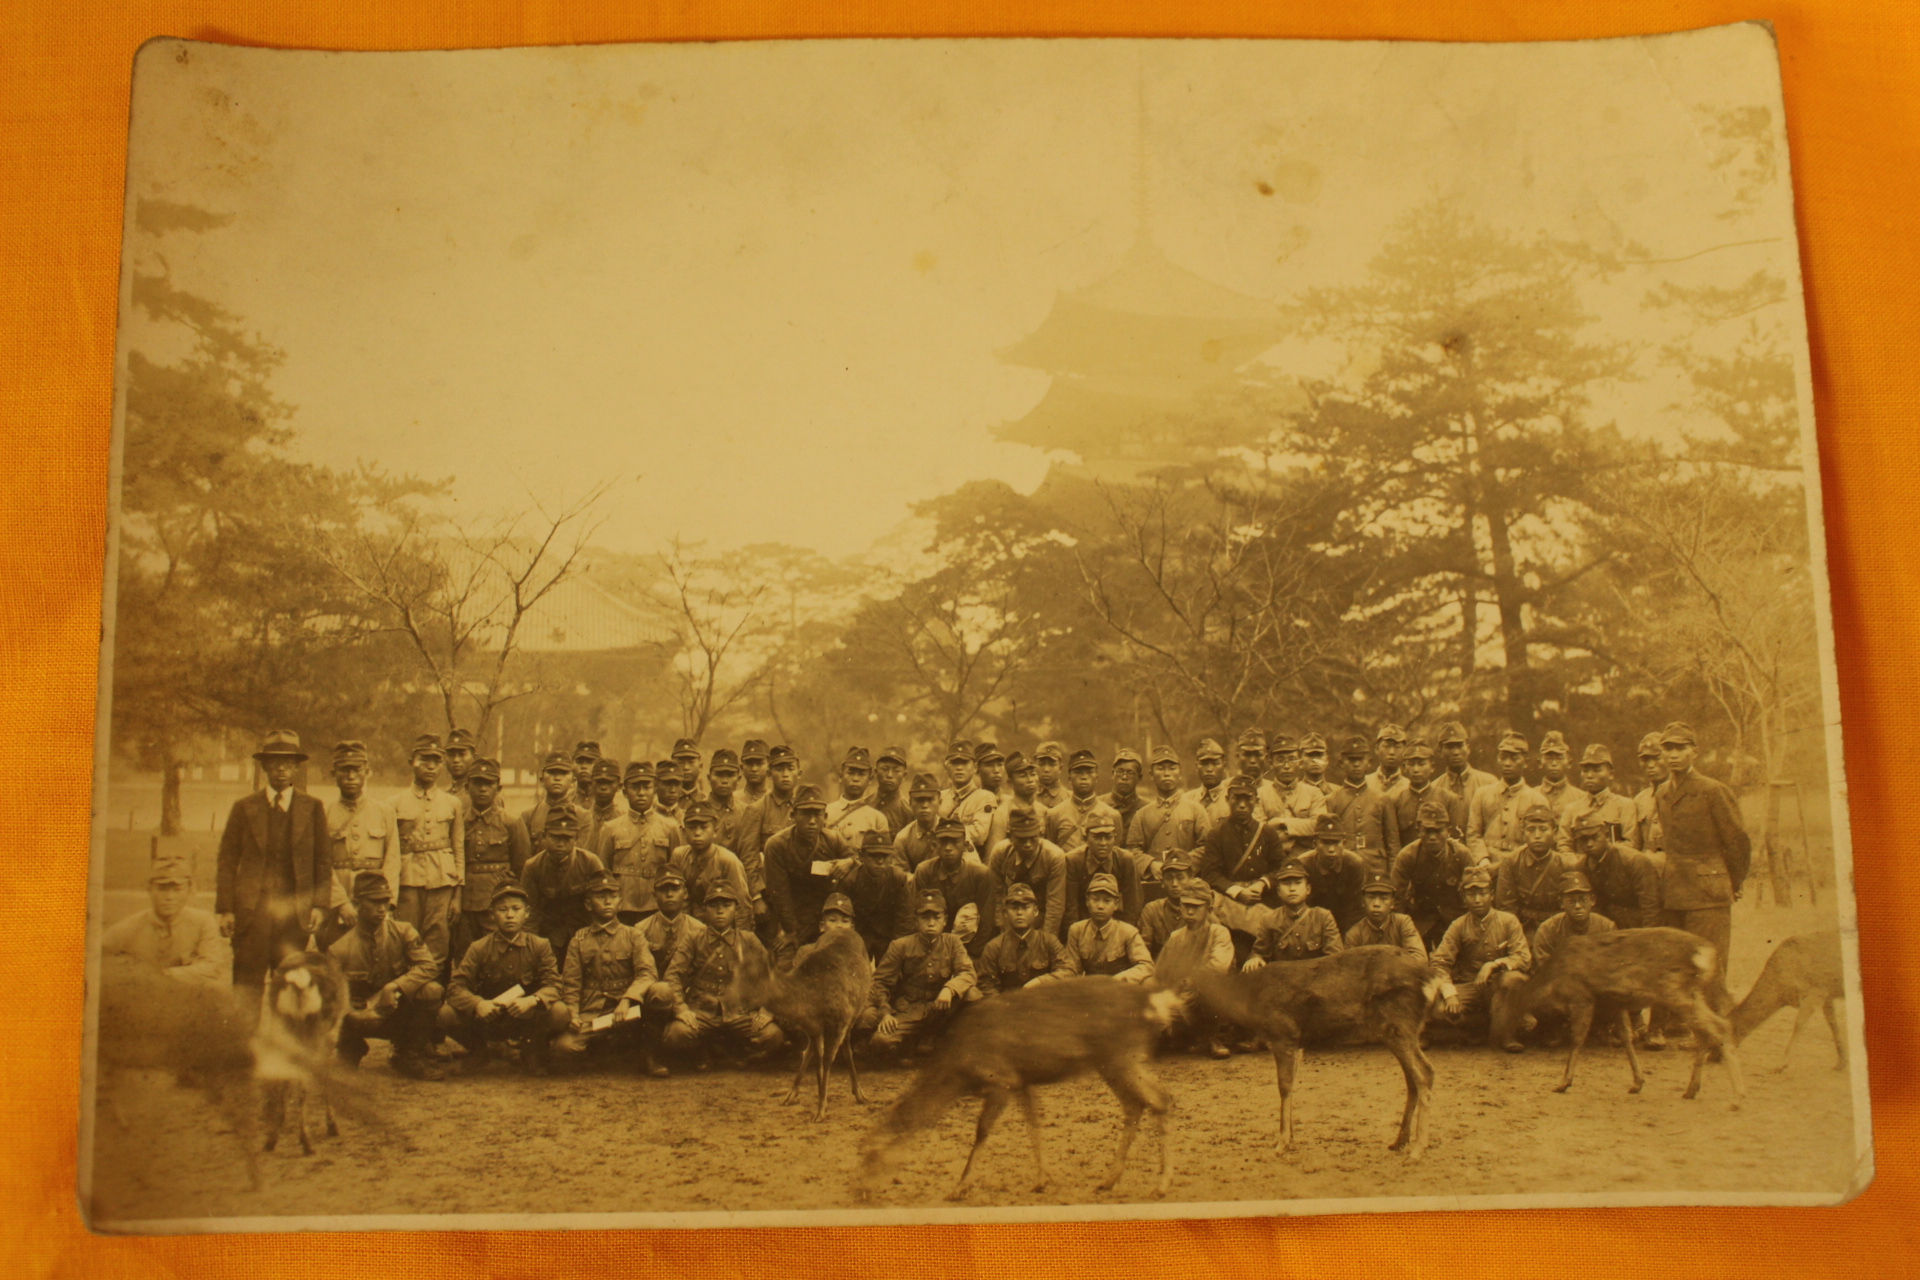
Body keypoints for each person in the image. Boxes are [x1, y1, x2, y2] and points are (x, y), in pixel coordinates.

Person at [216, 729, 329, 1005]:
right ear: (265, 766)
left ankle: (286, 1046)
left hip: (294, 914)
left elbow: (323, 861)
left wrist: (318, 904)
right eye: (275, 762)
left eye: (288, 762)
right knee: (246, 985)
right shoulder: (244, 808)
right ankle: (244, 1045)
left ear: (295, 767)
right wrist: (226, 908)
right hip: (253, 912)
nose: (281, 769)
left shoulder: (312, 808)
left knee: (292, 986)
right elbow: (227, 860)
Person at [1654, 721, 1751, 991]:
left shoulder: (1713, 790)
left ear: (1694, 752)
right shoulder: (1662, 793)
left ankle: (1716, 1026)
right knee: (1678, 963)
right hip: (1674, 892)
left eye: (1680, 748)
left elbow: (1738, 842)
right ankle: (1681, 1026)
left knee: (1710, 966)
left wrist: (1734, 881)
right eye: (1667, 748)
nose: (1673, 755)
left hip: (1709, 891)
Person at [439, 879, 568, 1076]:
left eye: (516, 909)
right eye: (502, 909)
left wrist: (532, 1001)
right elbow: (456, 988)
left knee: (560, 1012)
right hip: (489, 1019)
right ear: (492, 915)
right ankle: (479, 1049)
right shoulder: (479, 947)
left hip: (525, 1019)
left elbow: (555, 985)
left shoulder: (540, 945)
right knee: (445, 1014)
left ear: (527, 913)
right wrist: (478, 1004)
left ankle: (531, 1049)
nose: (509, 915)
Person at [328, 871, 444, 1080]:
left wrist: (394, 987)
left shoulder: (403, 932)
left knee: (432, 991)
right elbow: (332, 997)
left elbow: (428, 966)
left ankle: (408, 1055)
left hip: (396, 1011)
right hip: (359, 1017)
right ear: (357, 904)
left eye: (385, 901)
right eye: (374, 902)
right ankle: (351, 1048)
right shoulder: (339, 949)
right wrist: (356, 1015)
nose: (382, 908)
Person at [662, 883, 785, 1065]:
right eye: (714, 906)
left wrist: (766, 1011)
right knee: (676, 1034)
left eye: (726, 906)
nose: (720, 911)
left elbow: (771, 975)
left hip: (740, 1011)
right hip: (701, 1010)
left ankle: (738, 1051)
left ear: (736, 909)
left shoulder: (748, 939)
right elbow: (673, 976)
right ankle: (702, 1050)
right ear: (704, 911)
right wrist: (681, 1009)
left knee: (773, 1036)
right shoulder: (694, 938)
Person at [555, 872, 658, 1070]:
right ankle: (599, 1048)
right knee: (563, 1047)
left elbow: (647, 973)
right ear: (588, 904)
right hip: (593, 1010)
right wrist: (574, 1014)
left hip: (629, 1011)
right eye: (600, 897)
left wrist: (628, 1000)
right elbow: (571, 982)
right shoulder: (579, 939)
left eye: (612, 896)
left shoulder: (633, 935)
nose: (607, 901)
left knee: (659, 993)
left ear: (620, 902)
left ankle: (649, 1054)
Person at [1429, 868, 1530, 1052]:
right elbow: (1439, 963)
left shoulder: (1508, 921)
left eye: (1483, 893)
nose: (1477, 900)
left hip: (1499, 987)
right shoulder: (1458, 925)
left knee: (1513, 979)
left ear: (1491, 895)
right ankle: (1484, 1026)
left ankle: (1507, 1034)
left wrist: (1494, 964)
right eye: (1471, 894)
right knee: (1439, 1010)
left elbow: (1523, 958)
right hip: (1471, 985)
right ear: (1463, 897)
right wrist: (1450, 994)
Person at [868, 891, 977, 1058]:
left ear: (945, 920)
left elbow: (967, 972)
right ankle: (911, 1042)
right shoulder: (900, 946)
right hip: (909, 1009)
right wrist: (886, 1013)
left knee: (973, 995)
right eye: (925, 918)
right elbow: (880, 983)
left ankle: (931, 1037)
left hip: (940, 1010)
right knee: (880, 1042)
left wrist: (950, 989)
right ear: (915, 921)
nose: (931, 923)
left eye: (937, 917)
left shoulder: (952, 942)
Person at [101, 849, 231, 988]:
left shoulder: (203, 922)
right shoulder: (129, 928)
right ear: (149, 889)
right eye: (162, 889)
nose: (169, 897)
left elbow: (213, 967)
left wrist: (163, 975)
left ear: (189, 890)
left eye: (177, 889)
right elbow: (95, 958)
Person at [392, 734, 466, 973]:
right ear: (411, 761)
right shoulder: (394, 803)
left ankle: (432, 1000)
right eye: (425, 759)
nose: (431, 766)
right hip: (407, 884)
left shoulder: (452, 803)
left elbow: (458, 849)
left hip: (442, 884)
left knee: (438, 942)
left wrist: (457, 895)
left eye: (437, 760)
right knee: (405, 940)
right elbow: (391, 854)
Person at [319, 740, 400, 952]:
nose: (351, 776)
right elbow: (321, 865)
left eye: (357, 770)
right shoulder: (323, 815)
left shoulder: (385, 812)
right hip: (337, 907)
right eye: (344, 770)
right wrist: (341, 903)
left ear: (368, 772)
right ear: (333, 773)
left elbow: (392, 861)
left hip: (376, 904)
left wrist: (386, 904)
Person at [452, 757, 531, 969]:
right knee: (464, 954)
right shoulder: (458, 821)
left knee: (498, 953)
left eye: (488, 784)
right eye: (477, 783)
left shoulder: (511, 823)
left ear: (498, 788)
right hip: (465, 900)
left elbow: (521, 868)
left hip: (496, 901)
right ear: (467, 787)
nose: (482, 789)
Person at [763, 783, 857, 961]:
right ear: (793, 815)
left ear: (826, 817)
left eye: (817, 814)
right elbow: (779, 893)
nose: (812, 821)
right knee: (786, 966)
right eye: (806, 814)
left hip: (824, 917)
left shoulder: (833, 839)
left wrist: (850, 862)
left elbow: (858, 863)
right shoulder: (777, 845)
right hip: (789, 917)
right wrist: (790, 931)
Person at [594, 761, 685, 923]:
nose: (641, 793)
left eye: (646, 787)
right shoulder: (610, 828)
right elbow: (604, 872)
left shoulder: (670, 827)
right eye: (635, 787)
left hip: (657, 907)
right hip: (622, 908)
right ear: (624, 792)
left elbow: (676, 870)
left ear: (655, 790)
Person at [635, 869, 706, 1076]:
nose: (669, 895)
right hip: (653, 999)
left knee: (684, 1030)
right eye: (663, 890)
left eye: (675, 889)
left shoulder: (699, 929)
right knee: (661, 990)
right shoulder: (641, 928)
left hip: (688, 994)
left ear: (685, 893)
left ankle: (700, 1049)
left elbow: (702, 971)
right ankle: (652, 1055)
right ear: (654, 894)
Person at [1154, 885, 1234, 1059]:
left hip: (1211, 995)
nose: (1189, 911)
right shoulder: (1176, 937)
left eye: (1196, 907)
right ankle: (1186, 1037)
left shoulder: (1218, 932)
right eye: (1185, 905)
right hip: (1182, 995)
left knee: (1207, 986)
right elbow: (1161, 971)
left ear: (1209, 909)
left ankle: (1212, 1038)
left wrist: (1190, 979)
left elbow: (1219, 966)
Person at [1391, 800, 1481, 950]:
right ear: (1418, 830)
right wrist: (1400, 933)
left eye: (1438, 831)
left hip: (1455, 919)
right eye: (1427, 831)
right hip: (1421, 921)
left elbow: (1475, 892)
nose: (1432, 837)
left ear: (1448, 831)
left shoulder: (1461, 854)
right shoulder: (1407, 856)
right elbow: (1396, 899)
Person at [520, 808, 606, 965]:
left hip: (585, 933)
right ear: (544, 836)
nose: (560, 844)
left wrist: (595, 939)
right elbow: (529, 913)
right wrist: (532, 947)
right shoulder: (533, 866)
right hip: (548, 938)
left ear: (577, 838)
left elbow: (602, 907)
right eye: (555, 837)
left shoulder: (590, 863)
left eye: (567, 838)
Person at [908, 817, 1001, 958]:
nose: (948, 848)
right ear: (935, 845)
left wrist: (970, 955)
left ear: (965, 845)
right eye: (943, 842)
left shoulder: (980, 874)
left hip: (969, 947)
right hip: (932, 946)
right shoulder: (924, 871)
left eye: (955, 842)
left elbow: (986, 923)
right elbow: (914, 914)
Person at [1196, 776, 1290, 908]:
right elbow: (1210, 874)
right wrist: (1238, 891)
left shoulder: (1267, 832)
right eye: (1236, 798)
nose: (1242, 805)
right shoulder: (1216, 834)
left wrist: (1262, 883)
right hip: (1229, 903)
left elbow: (1280, 867)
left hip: (1265, 900)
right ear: (1227, 799)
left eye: (1248, 799)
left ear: (1256, 801)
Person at [1494, 803, 1580, 938]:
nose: (1537, 835)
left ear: (1555, 832)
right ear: (1523, 833)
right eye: (1531, 829)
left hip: (1557, 929)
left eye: (1543, 829)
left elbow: (1572, 905)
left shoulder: (1566, 865)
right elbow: (1506, 907)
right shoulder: (1511, 863)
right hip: (1524, 928)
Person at [973, 882, 1071, 996]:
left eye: (1025, 907)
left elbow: (1067, 971)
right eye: (1014, 908)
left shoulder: (1049, 941)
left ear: (1035, 911)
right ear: (1005, 913)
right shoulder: (994, 947)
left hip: (1043, 1006)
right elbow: (986, 984)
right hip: (1007, 1009)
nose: (1019, 913)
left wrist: (1040, 981)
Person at [1125, 745, 1207, 881]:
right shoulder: (1142, 815)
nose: (1166, 773)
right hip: (1154, 881)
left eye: (1172, 768)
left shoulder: (1196, 810)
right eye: (1160, 768)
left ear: (1180, 773)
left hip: (1188, 882)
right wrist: (1150, 864)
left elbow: (1207, 847)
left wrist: (1184, 865)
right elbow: (1132, 849)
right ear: (1151, 775)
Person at [1466, 732, 1548, 864]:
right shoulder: (1482, 794)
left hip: (1520, 867)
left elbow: (1537, 841)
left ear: (1525, 762)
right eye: (1503, 757)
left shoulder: (1537, 800)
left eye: (1514, 758)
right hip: (1486, 866)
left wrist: (1507, 866)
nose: (1507, 763)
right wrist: (1483, 860)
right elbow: (1473, 834)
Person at [1242, 860, 1343, 968]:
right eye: (1286, 884)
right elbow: (1259, 952)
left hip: (1315, 979)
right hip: (1283, 980)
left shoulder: (1322, 917)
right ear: (1279, 892)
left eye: (1298, 883)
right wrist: (1255, 958)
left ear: (1308, 889)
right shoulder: (1269, 919)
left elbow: (1336, 957)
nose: (1292, 889)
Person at [1567, 811, 1659, 929]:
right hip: (1607, 926)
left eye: (1595, 837)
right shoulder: (1581, 867)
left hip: (1638, 924)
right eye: (1583, 839)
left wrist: (1647, 938)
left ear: (1607, 836)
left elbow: (1651, 907)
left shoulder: (1633, 861)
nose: (1589, 844)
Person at [988, 808, 1070, 938]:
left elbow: (1055, 904)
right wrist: (1002, 928)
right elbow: (996, 893)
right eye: (1021, 839)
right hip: (1011, 914)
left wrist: (1045, 940)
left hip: (1041, 915)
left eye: (1033, 838)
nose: (1028, 844)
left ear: (1040, 834)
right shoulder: (1000, 852)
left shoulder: (1054, 856)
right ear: (1010, 837)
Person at [1323, 736, 1398, 877]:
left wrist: (1392, 877)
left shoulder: (1382, 799)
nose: (1356, 764)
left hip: (1376, 869)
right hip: (1344, 868)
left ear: (1369, 762)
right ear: (1341, 763)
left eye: (1361, 759)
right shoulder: (1331, 800)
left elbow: (1393, 845)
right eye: (1351, 760)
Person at [837, 829, 914, 961]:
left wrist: (898, 952)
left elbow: (904, 918)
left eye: (885, 856)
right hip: (860, 936)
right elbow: (844, 917)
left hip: (888, 937)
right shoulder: (851, 880)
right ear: (862, 856)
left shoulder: (898, 878)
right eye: (874, 856)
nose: (880, 861)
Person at [1060, 874, 1154, 980]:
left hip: (1119, 989)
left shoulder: (1128, 932)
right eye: (1095, 899)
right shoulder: (1077, 930)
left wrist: (1116, 980)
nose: (1100, 906)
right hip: (1090, 988)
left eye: (1107, 901)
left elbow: (1146, 966)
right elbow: (1072, 969)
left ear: (1116, 904)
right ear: (1087, 902)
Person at [672, 799, 754, 918]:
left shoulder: (727, 860)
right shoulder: (679, 856)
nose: (697, 833)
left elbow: (741, 905)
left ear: (715, 831)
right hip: (689, 925)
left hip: (720, 925)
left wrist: (739, 935)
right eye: (692, 828)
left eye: (704, 827)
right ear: (684, 832)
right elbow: (678, 899)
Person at [1062, 810, 1142, 928]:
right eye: (1097, 837)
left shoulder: (1125, 860)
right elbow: (1071, 908)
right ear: (1086, 838)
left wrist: (1124, 935)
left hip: (1117, 925)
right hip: (1084, 925)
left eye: (1108, 837)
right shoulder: (1074, 860)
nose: (1103, 843)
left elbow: (1132, 906)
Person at [1388, 739, 1466, 853]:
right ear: (1404, 768)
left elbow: (1457, 840)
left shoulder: (1449, 799)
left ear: (1432, 767)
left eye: (1421, 764)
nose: (1416, 770)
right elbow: (1393, 842)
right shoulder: (1396, 801)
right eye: (1411, 764)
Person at [1561, 743, 1642, 850]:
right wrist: (1578, 864)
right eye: (1585, 771)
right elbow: (1564, 845)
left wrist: (1605, 856)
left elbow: (1631, 844)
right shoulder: (1571, 809)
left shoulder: (1625, 806)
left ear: (1611, 774)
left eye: (1597, 770)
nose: (1589, 775)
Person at [1530, 871, 1615, 973]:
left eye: (1583, 900)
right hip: (1562, 981)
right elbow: (1545, 968)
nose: (1578, 906)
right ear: (1561, 903)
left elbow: (1612, 962)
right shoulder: (1548, 929)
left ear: (1592, 900)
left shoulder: (1607, 927)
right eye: (1571, 901)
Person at [1298, 812, 1367, 933]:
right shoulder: (1304, 864)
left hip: (1346, 924)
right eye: (1325, 843)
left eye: (1336, 843)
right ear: (1315, 844)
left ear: (1344, 844)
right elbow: (1302, 906)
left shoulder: (1354, 864)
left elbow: (1356, 909)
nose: (1331, 850)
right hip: (1312, 926)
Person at [1136, 852, 1212, 956]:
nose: (1175, 884)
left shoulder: (1203, 910)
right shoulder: (1152, 910)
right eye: (1169, 878)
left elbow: (1215, 948)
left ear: (1191, 880)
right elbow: (1143, 950)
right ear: (1162, 882)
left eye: (1180, 878)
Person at [1343, 873, 1427, 958]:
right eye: (1371, 897)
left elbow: (1419, 958)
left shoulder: (1403, 923)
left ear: (1392, 903)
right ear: (1363, 902)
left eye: (1383, 898)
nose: (1376, 904)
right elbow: (1350, 968)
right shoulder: (1354, 934)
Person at [935, 740, 998, 850]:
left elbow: (979, 835)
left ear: (975, 767)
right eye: (954, 763)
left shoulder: (985, 797)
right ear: (946, 767)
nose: (959, 768)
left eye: (964, 763)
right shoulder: (939, 796)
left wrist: (942, 832)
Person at [825, 746, 891, 847]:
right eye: (850, 773)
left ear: (870, 779)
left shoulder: (877, 819)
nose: (855, 778)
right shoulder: (826, 812)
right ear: (840, 776)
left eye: (861, 774)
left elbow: (882, 857)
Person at [521, 751, 588, 847]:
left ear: (573, 782)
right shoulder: (528, 816)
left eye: (563, 773)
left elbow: (583, 855)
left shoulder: (583, 817)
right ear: (542, 780)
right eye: (552, 773)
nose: (557, 778)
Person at [1435, 720, 1499, 817]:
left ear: (1468, 748)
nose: (1456, 752)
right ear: (1440, 752)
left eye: (1460, 746)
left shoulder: (1489, 783)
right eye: (1449, 747)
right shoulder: (1435, 788)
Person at [892, 772, 950, 874]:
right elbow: (901, 877)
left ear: (940, 802)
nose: (925, 805)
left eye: (930, 799)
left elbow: (970, 867)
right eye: (919, 800)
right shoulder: (903, 838)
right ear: (910, 803)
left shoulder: (953, 832)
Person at [580, 757, 627, 854]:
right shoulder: (580, 817)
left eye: (609, 782)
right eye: (599, 782)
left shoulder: (624, 819)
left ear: (619, 786)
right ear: (591, 783)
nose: (603, 787)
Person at [1100, 748, 1148, 841]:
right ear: (1112, 774)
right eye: (1120, 771)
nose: (1124, 777)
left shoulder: (1146, 809)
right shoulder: (1099, 804)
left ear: (1139, 777)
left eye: (1130, 773)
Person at [1182, 737, 1231, 826]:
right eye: (1204, 764)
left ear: (1224, 766)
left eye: (1215, 763)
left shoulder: (1232, 800)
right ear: (1197, 766)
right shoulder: (1186, 800)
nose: (1209, 769)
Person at [1634, 732, 1669, 854]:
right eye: (1645, 760)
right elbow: (1636, 845)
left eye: (1657, 758)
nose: (1650, 765)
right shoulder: (1640, 800)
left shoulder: (1683, 794)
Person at [704, 747, 746, 849]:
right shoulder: (700, 810)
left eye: (730, 775)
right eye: (719, 775)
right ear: (709, 778)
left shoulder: (747, 812)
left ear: (739, 779)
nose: (724, 781)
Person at [870, 745, 915, 836]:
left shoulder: (908, 811)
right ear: (875, 772)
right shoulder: (865, 804)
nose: (890, 775)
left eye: (896, 770)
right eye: (885, 769)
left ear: (904, 775)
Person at [1534, 730, 1579, 818]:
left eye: (1559, 758)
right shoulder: (1531, 796)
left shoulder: (1581, 798)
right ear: (1540, 763)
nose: (1554, 763)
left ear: (1569, 763)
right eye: (1549, 758)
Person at [1367, 723, 1410, 796]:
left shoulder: (1409, 787)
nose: (1392, 752)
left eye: (1397, 747)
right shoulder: (1365, 784)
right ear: (1377, 749)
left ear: (1405, 751)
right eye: (1386, 746)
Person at [442, 728, 479, 800]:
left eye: (462, 754)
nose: (456, 760)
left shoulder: (483, 796)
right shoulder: (441, 795)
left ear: (474, 758)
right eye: (451, 755)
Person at [1033, 740, 1070, 810]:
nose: (1046, 769)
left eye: (1052, 764)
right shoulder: (1027, 796)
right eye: (1041, 764)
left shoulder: (1069, 798)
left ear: (1060, 768)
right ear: (1035, 767)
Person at [569, 741, 605, 811]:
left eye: (590, 762)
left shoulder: (609, 799)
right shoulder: (566, 799)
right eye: (579, 762)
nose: (583, 767)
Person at [738, 738, 773, 806]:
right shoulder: (733, 799)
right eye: (749, 763)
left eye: (759, 764)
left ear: (769, 767)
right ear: (742, 768)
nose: (754, 769)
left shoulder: (775, 800)